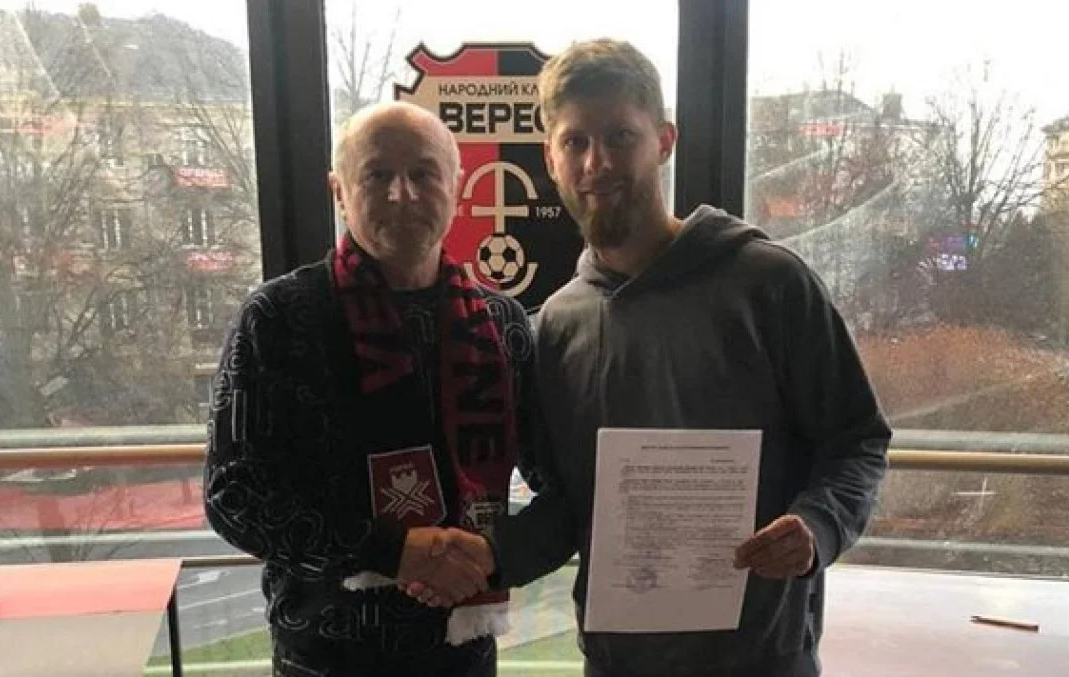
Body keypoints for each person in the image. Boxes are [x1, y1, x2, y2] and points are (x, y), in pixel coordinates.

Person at [420, 38, 891, 677]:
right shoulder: (556, 327)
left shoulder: (769, 284)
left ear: (664, 140)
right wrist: (488, 557)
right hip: (617, 663)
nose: (597, 162)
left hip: (762, 661)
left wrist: (818, 525)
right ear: (551, 159)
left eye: (621, 136)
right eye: (575, 141)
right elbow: (570, 507)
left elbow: (857, 439)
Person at [204, 101, 542, 677]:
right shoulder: (279, 318)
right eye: (377, 174)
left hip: (463, 656)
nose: (401, 194)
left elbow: (553, 478)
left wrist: (495, 554)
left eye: (423, 173)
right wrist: (391, 551)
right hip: (322, 659)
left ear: (457, 186)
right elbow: (233, 495)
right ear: (339, 191)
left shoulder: (503, 325)